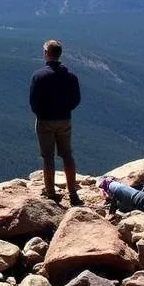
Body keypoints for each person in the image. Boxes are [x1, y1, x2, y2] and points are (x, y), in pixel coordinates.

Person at [29, 39, 81, 204]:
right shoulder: (71, 77)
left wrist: (42, 114)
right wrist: (65, 110)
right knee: (67, 155)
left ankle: (50, 193)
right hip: (65, 119)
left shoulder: (39, 76)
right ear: (59, 54)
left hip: (45, 120)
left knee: (48, 156)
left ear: (46, 53)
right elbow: (76, 100)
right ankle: (72, 192)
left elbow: (33, 102)